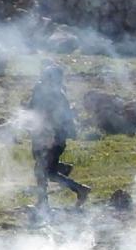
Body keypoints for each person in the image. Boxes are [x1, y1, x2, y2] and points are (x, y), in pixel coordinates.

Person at [23, 65, 89, 213]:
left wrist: (51, 136)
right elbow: (34, 112)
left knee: (42, 170)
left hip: (52, 138)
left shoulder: (55, 96)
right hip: (43, 136)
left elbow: (57, 119)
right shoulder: (44, 92)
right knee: (47, 170)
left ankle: (44, 203)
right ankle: (77, 188)